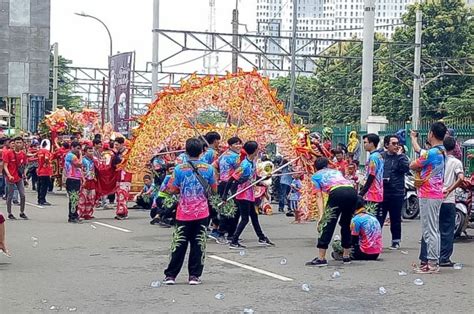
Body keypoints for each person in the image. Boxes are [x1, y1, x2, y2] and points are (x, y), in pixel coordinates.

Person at [163, 138, 217, 285]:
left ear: (186, 151)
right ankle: (194, 276)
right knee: (198, 244)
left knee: (179, 244)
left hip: (183, 212)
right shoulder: (209, 168)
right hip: (202, 212)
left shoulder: (179, 169)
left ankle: (171, 275)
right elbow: (214, 189)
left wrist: (182, 190)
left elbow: (171, 189)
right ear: (202, 151)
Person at [419, 136, 464, 267]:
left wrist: (413, 138)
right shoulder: (455, 162)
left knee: (430, 229)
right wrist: (449, 189)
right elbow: (461, 178)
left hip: (432, 197)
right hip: (448, 200)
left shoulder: (435, 156)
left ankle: (425, 258)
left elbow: (418, 156)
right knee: (446, 230)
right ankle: (443, 258)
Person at [409, 122, 447, 273]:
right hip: (436, 193)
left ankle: (432, 263)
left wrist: (416, 165)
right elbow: (419, 151)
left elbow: (413, 164)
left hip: (428, 194)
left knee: (429, 230)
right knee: (432, 229)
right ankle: (432, 261)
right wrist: (413, 138)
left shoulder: (432, 153)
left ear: (431, 134)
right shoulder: (440, 151)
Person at [305, 157, 357, 266]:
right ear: (327, 165)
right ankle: (346, 256)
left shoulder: (315, 176)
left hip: (337, 192)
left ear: (315, 167)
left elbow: (319, 196)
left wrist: (321, 216)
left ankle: (321, 258)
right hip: (352, 191)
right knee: (346, 223)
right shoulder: (336, 171)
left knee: (328, 224)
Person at [229, 141, 274, 249]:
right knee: (245, 219)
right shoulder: (245, 164)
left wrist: (265, 178)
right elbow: (232, 178)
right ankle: (234, 241)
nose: (259, 150)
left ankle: (261, 237)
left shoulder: (252, 162)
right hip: (243, 195)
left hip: (250, 194)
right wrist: (227, 194)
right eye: (257, 149)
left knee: (254, 216)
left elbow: (254, 180)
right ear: (254, 151)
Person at [380, 134, 410, 249]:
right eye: (393, 144)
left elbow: (406, 169)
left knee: (395, 217)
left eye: (397, 143)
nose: (396, 146)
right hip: (383, 191)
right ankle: (376, 240)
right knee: (380, 217)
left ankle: (396, 240)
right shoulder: (381, 156)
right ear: (387, 145)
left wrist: (400, 155)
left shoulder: (401, 157)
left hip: (396, 191)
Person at [211, 136, 243, 243]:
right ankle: (223, 232)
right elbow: (241, 171)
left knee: (227, 208)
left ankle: (229, 233)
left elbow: (214, 166)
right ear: (230, 145)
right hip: (231, 184)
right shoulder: (236, 157)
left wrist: (217, 177)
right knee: (232, 209)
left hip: (222, 183)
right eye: (236, 144)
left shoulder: (223, 154)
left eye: (240, 143)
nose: (238, 146)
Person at [334, 196, 382, 261]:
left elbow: (353, 241)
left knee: (337, 245)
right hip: (376, 253)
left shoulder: (356, 220)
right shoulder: (372, 217)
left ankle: (342, 255)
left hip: (364, 252)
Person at [359, 133, 384, 222]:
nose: (364, 145)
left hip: (372, 193)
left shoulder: (373, 157)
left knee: (370, 219)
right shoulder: (379, 156)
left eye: (365, 142)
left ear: (372, 144)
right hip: (378, 192)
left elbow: (371, 175)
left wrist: (362, 192)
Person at [3, 137, 28, 220]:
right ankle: (9, 213)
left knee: (23, 195)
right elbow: (5, 166)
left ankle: (22, 212)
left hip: (19, 177)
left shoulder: (23, 154)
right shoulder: (8, 153)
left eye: (20, 142)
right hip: (11, 178)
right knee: (10, 196)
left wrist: (25, 176)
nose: (18, 144)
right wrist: (9, 175)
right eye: (17, 142)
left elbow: (23, 166)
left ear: (22, 143)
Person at [112, 137, 132, 220]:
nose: (115, 146)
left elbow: (123, 163)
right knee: (119, 195)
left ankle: (122, 213)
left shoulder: (127, 152)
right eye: (114, 144)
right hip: (118, 176)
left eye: (117, 144)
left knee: (123, 195)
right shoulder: (117, 153)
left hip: (125, 176)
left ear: (121, 144)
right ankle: (121, 212)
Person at [65, 141, 83, 223]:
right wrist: (81, 155)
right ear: (72, 147)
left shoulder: (72, 155)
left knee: (75, 198)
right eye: (77, 148)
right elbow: (79, 164)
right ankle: (72, 216)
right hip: (72, 179)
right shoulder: (71, 155)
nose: (78, 151)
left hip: (75, 178)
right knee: (73, 198)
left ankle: (74, 215)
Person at [78, 146, 96, 220]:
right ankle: (79, 213)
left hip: (92, 180)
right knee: (83, 198)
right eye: (89, 151)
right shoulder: (83, 160)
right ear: (85, 152)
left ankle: (88, 213)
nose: (91, 153)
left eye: (92, 151)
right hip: (84, 180)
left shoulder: (94, 160)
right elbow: (80, 170)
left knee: (91, 198)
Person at [36, 139, 53, 206]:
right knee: (44, 186)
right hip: (45, 171)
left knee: (40, 186)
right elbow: (46, 158)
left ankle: (39, 199)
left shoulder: (40, 151)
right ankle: (42, 200)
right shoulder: (46, 151)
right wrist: (48, 163)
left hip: (40, 170)